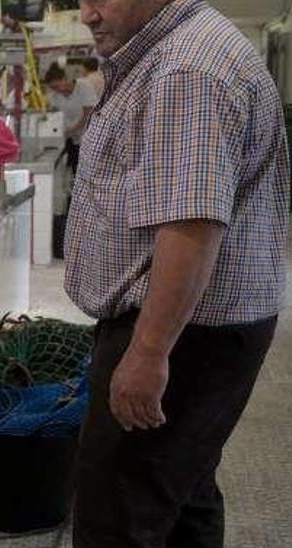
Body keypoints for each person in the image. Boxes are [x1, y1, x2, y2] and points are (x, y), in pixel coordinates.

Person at [65, 0, 289, 546]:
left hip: (183, 330)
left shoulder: (187, 70)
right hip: (198, 324)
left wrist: (147, 353)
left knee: (117, 511)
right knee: (182, 490)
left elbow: (192, 225)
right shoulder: (171, 53)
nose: (86, 13)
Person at [43, 63, 97, 174]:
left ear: (65, 78)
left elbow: (89, 115)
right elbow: (53, 117)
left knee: (89, 171)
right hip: (70, 139)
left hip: (88, 137)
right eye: (53, 88)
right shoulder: (54, 96)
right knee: (75, 169)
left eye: (58, 86)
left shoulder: (83, 86)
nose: (58, 90)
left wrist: (71, 130)